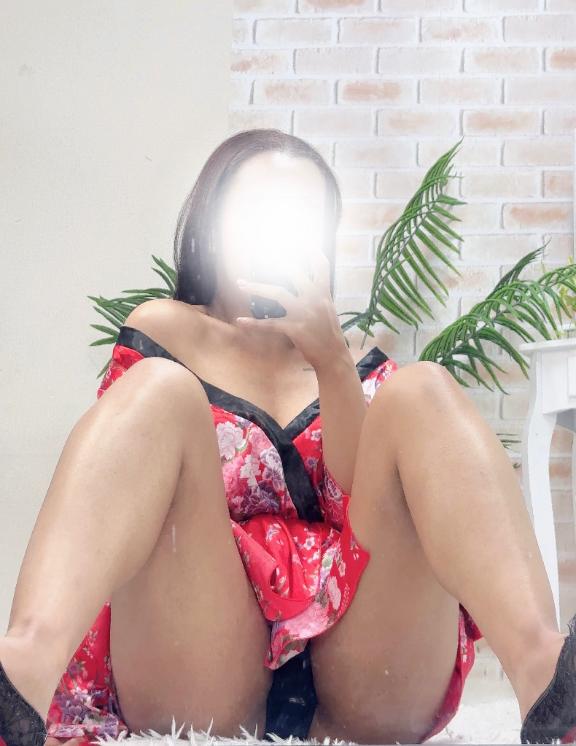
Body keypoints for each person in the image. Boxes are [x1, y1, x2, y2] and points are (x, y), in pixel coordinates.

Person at [1, 128, 575, 746]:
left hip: (365, 670)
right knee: (159, 389)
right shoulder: (166, 331)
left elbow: (362, 511)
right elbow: (123, 499)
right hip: (201, 663)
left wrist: (331, 362)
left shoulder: (354, 357)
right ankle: (20, 678)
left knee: (423, 388)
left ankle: (548, 682)